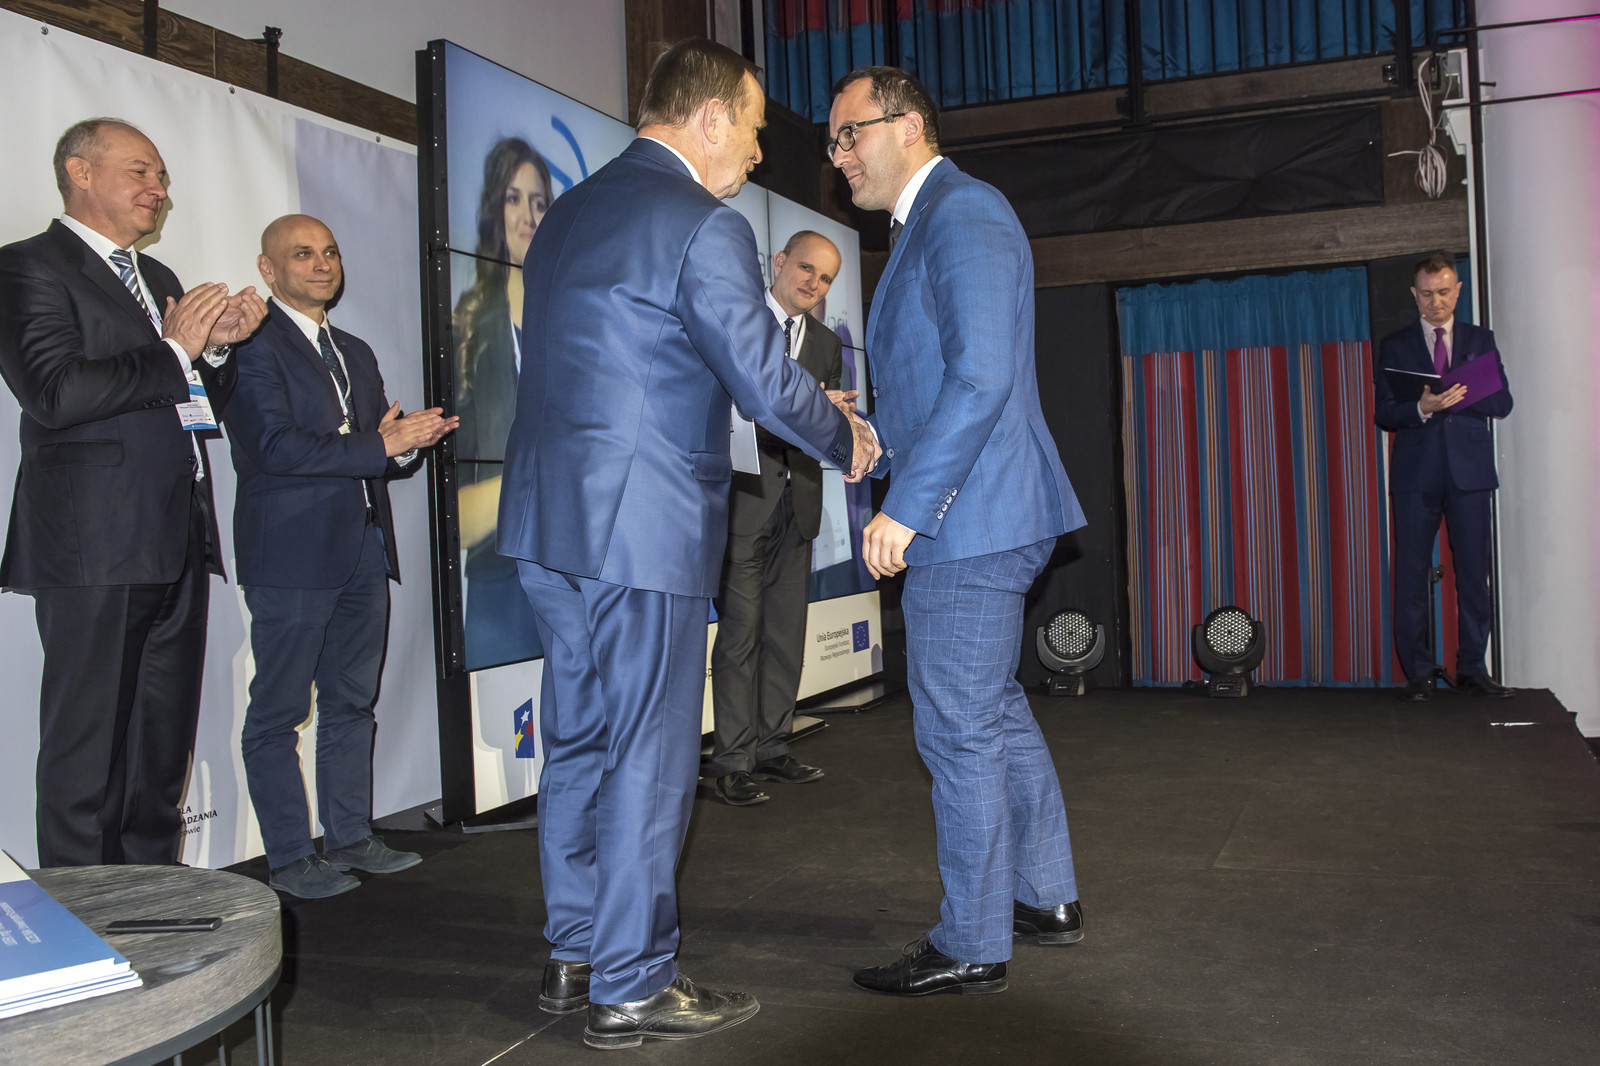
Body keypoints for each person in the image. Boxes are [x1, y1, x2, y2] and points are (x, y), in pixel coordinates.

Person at [496, 39, 879, 1049]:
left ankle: (576, 949)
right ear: (708, 119)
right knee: (652, 752)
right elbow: (760, 374)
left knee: (579, 740)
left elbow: (636, 361)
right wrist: (845, 437)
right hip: (642, 526)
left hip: (550, 520)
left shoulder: (571, 211)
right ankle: (632, 982)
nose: (755, 152)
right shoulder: (704, 223)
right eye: (750, 130)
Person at [826, 67, 1087, 996]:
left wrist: (906, 505)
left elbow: (982, 379)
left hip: (970, 519)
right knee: (991, 709)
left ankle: (971, 939)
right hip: (979, 510)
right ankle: (1045, 896)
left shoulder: (962, 211)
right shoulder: (929, 224)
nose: (838, 155)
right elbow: (948, 382)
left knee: (957, 728)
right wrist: (873, 436)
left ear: (908, 126)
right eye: (832, 141)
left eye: (850, 133)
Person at [0, 117, 266, 868]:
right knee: (88, 749)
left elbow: (192, 402)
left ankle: (155, 894)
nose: (159, 189)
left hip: (176, 536)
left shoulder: (160, 279)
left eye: (162, 176)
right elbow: (54, 393)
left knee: (160, 744)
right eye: (141, 172)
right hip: (94, 543)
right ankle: (85, 911)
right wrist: (177, 347)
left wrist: (217, 352)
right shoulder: (27, 266)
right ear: (80, 172)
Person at [225, 214, 456, 898]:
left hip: (362, 549)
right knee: (277, 713)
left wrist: (405, 446)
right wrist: (382, 445)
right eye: (302, 254)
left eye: (329, 252)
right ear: (267, 269)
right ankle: (290, 857)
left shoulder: (353, 349)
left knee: (353, 702)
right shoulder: (248, 345)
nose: (323, 264)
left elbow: (373, 452)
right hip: (290, 555)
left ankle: (351, 836)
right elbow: (274, 448)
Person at [709, 229, 846, 806]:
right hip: (744, 499)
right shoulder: (738, 321)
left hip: (801, 503)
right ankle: (732, 762)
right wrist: (805, 406)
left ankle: (772, 747)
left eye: (826, 278)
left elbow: (826, 424)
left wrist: (834, 418)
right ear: (781, 261)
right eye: (807, 269)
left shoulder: (827, 344)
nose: (814, 284)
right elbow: (733, 407)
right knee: (739, 636)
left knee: (786, 634)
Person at [1373, 253, 1514, 701]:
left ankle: (1473, 667)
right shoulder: (1396, 345)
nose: (1436, 301)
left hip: (1469, 472)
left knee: (1474, 573)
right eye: (1427, 294)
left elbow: (1503, 404)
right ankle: (1417, 671)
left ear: (1458, 291)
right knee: (1412, 573)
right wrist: (1421, 407)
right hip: (1416, 473)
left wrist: (1458, 396)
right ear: (1414, 295)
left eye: (1444, 292)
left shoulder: (1480, 339)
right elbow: (1384, 413)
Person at [452, 138, 550, 669]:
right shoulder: (468, 335)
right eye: (514, 199)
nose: (528, 216)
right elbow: (459, 513)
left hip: (573, 569)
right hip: (499, 577)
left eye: (539, 202)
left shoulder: (573, 326)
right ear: (496, 209)